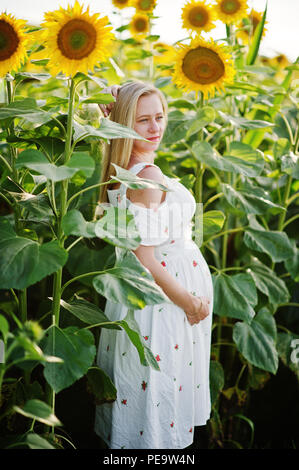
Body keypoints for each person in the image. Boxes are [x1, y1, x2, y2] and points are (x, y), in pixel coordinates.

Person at [94, 81, 213, 449]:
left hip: (136, 305)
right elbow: (145, 259)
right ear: (124, 124)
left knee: (138, 396)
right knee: (158, 404)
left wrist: (114, 103)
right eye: (143, 120)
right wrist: (190, 303)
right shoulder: (148, 176)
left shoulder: (119, 166)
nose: (155, 128)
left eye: (159, 117)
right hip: (163, 306)